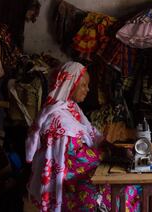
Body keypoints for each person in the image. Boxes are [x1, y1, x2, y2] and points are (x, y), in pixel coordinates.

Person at [26, 61, 111, 211]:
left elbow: (92, 133)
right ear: (71, 84)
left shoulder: (72, 108)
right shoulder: (58, 118)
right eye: (84, 85)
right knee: (121, 191)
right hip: (67, 185)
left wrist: (109, 147)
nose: (88, 90)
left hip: (78, 176)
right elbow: (73, 158)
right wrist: (105, 156)